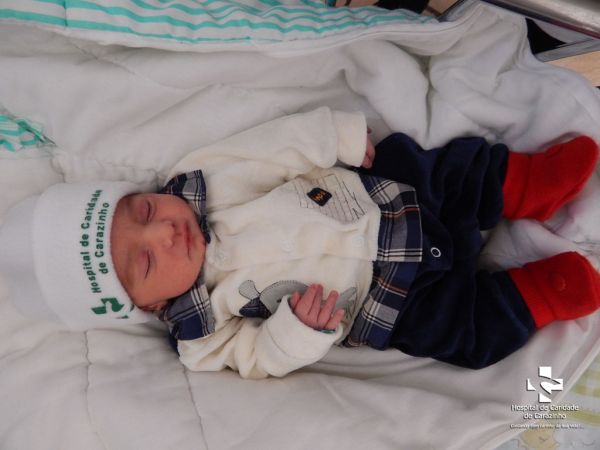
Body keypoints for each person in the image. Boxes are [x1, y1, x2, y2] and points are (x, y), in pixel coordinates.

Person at [1, 107, 598, 379]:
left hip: (381, 199)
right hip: (388, 302)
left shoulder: (207, 184)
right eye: (148, 258)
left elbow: (269, 150)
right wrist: (295, 334)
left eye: (145, 210)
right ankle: (538, 295)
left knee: (445, 171)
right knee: (461, 335)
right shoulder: (201, 334)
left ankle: (531, 185)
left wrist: (332, 139)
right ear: (148, 304)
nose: (164, 230)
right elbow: (257, 359)